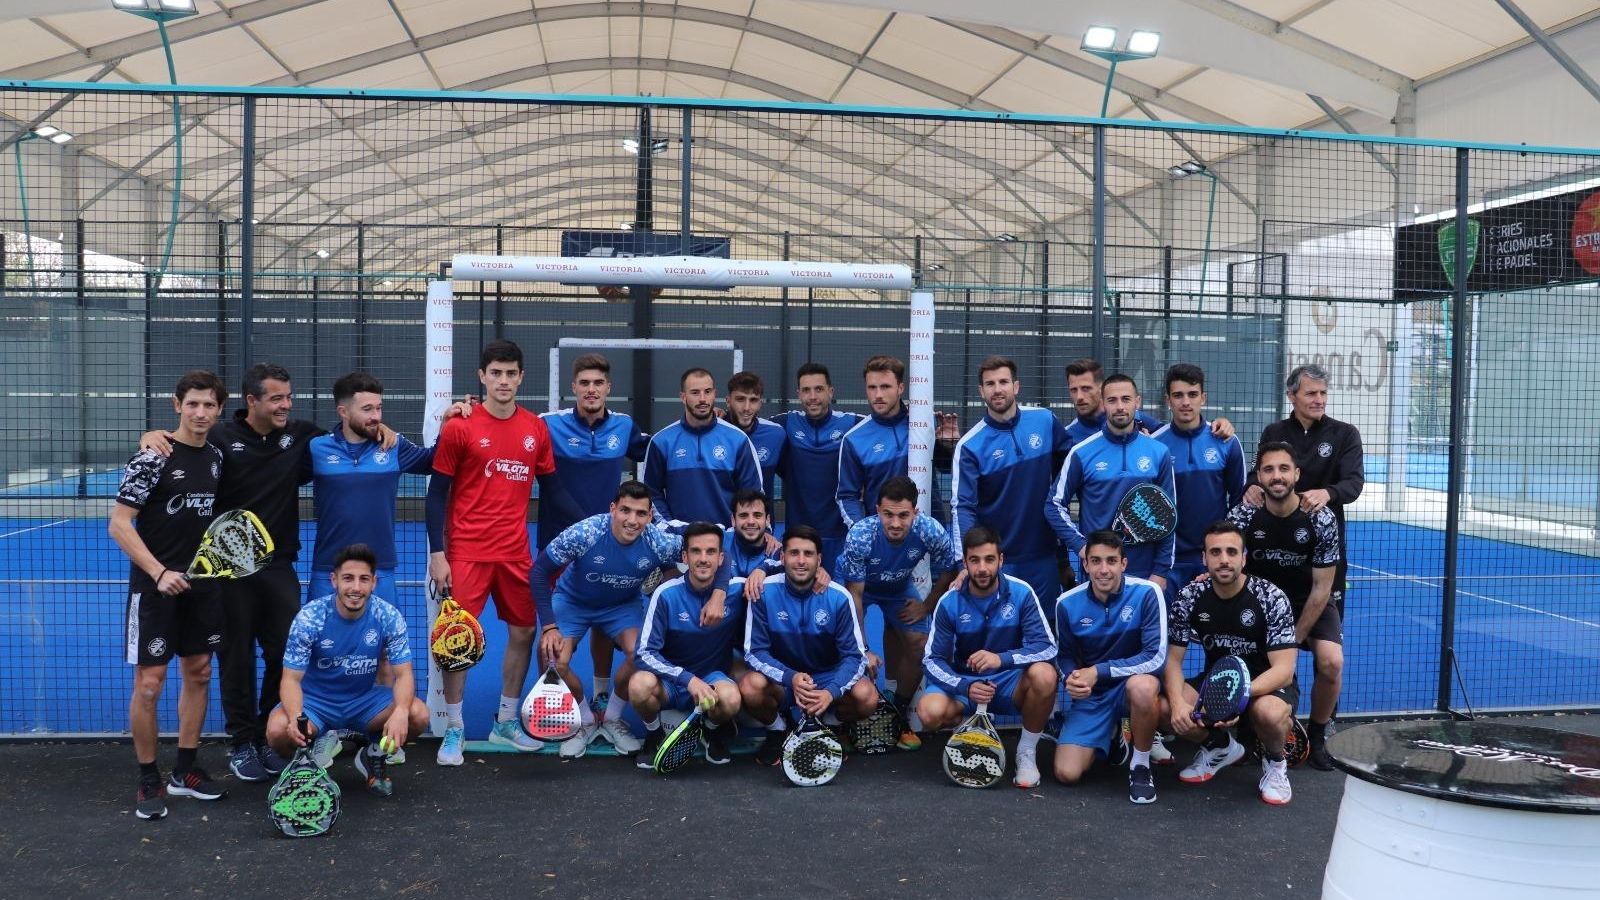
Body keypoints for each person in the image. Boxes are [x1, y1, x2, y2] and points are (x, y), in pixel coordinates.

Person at [141, 363, 341, 782]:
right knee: (234, 657)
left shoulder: (302, 435)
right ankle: (241, 742)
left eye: (288, 397)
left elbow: (350, 433)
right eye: (276, 398)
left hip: (279, 564)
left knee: (282, 654)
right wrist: (150, 435)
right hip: (227, 572)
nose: (285, 405)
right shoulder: (219, 438)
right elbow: (184, 440)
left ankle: (270, 737)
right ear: (252, 401)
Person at [426, 339, 570, 765]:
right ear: (482, 377)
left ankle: (505, 722)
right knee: (457, 641)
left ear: (521, 377)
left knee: (525, 632)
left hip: (515, 553)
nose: (504, 381)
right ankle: (454, 728)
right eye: (496, 373)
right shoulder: (460, 426)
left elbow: (555, 490)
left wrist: (597, 525)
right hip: (466, 552)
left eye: (511, 373)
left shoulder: (534, 429)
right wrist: (438, 552)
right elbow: (436, 497)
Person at [533, 481, 731, 758]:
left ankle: (611, 717)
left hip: (621, 605)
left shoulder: (658, 541)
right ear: (613, 509)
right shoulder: (586, 532)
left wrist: (719, 594)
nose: (632, 520)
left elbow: (721, 551)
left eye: (640, 513)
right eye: (625, 510)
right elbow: (540, 571)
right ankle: (586, 720)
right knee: (553, 660)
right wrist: (550, 626)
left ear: (650, 516)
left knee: (638, 653)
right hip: (573, 602)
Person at [111, 370, 229, 820]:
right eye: (193, 403)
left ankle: (185, 770)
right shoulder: (152, 456)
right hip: (154, 587)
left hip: (204, 586)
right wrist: (160, 572)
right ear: (177, 405)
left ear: (219, 410)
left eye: (209, 405)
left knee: (198, 673)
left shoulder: (217, 457)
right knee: (149, 683)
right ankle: (147, 778)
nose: (201, 412)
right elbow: (119, 525)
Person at [1244, 363, 1364, 752]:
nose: (1318, 399)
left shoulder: (1344, 434)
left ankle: (1319, 727)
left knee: (1329, 660)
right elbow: (1258, 474)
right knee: (1261, 649)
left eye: (1323, 393)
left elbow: (1354, 482)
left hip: (1321, 562)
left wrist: (1327, 494)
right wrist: (1249, 488)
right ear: (1291, 395)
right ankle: (1265, 723)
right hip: (1272, 564)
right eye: (1311, 393)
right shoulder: (1274, 433)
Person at [539, 353, 649, 750]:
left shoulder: (624, 427)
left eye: (597, 383)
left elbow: (657, 449)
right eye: (584, 383)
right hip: (560, 545)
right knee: (551, 645)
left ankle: (605, 699)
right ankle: (577, 716)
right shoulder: (547, 426)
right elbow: (509, 432)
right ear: (574, 387)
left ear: (608, 388)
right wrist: (465, 411)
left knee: (607, 622)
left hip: (612, 545)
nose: (590, 389)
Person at [267, 545, 430, 797]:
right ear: (334, 580)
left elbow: (404, 674)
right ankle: (305, 764)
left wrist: (400, 710)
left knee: (417, 714)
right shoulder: (311, 617)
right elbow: (290, 679)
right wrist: (296, 717)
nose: (356, 588)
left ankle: (372, 754)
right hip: (316, 704)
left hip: (364, 703)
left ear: (374, 582)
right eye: (348, 578)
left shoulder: (388, 616)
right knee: (277, 730)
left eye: (364, 579)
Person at [1164, 522, 1299, 805]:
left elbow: (1284, 670)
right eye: (1215, 552)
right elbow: (1174, 661)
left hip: (1266, 685)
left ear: (1243, 558)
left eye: (1231, 552)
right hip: (1219, 680)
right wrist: (1178, 703)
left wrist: (1237, 696)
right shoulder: (1189, 597)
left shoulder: (1270, 597)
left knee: (1270, 714)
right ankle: (1219, 747)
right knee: (1163, 709)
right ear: (1204, 558)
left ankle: (1275, 764)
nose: (1223, 559)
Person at [1229, 441, 1343, 769]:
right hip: (1260, 603)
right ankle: (1248, 730)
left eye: (1283, 469)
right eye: (1268, 469)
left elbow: (1323, 587)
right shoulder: (1244, 514)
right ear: (1259, 477)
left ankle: (1318, 735)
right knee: (1251, 661)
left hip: (1310, 600)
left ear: (1296, 474)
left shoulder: (1320, 517)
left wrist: (1291, 640)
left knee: (1331, 662)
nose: (1276, 476)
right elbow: (1229, 563)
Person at [918, 526, 1058, 788]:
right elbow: (931, 660)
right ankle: (971, 732)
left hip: (1008, 683)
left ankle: (1026, 753)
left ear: (1001, 560)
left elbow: (1047, 647)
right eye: (974, 560)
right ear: (966, 563)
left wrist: (1001, 659)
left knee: (1046, 674)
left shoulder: (1021, 592)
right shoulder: (949, 601)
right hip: (965, 685)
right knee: (929, 712)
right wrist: (965, 686)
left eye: (989, 559)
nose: (982, 568)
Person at [837, 476, 962, 750]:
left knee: (920, 644)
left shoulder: (931, 531)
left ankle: (898, 713)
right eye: (888, 515)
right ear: (877, 510)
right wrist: (864, 649)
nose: (895, 523)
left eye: (904, 515)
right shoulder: (860, 535)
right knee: (846, 650)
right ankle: (843, 722)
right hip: (859, 587)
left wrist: (926, 605)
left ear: (915, 512)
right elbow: (855, 596)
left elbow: (947, 571)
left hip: (898, 587)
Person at [740, 526, 880, 766]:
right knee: (750, 686)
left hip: (826, 680)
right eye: (794, 553)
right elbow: (755, 652)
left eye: (808, 554)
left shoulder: (839, 596)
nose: (801, 561)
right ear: (782, 558)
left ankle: (831, 726)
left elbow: (854, 657)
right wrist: (790, 677)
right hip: (784, 681)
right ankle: (778, 729)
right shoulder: (763, 591)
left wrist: (831, 691)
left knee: (867, 696)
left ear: (819, 560)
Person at [1052, 530, 1167, 804]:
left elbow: (1155, 657)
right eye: (1096, 561)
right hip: (1095, 695)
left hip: (1133, 689)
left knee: (1143, 686)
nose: (1104, 570)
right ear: (1086, 564)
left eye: (1111, 561)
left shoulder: (1147, 593)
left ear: (1123, 564)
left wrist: (1098, 671)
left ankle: (1140, 766)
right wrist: (1071, 677)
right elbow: (1064, 655)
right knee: (1066, 773)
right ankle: (1115, 736)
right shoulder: (1066, 604)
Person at [306, 372, 435, 607]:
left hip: (380, 570)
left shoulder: (394, 445)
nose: (376, 416)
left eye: (379, 408)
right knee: (321, 641)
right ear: (343, 412)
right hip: (328, 569)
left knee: (385, 643)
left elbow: (434, 460)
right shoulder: (316, 448)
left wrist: (453, 423)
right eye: (367, 409)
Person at [952, 355, 1072, 602]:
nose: (997, 389)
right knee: (999, 634)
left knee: (1046, 630)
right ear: (981, 391)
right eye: (990, 384)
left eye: (1003, 382)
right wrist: (968, 559)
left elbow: (1072, 463)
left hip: (1043, 555)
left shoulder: (1045, 420)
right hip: (999, 560)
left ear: (1016, 386)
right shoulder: (970, 446)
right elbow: (963, 507)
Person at [632, 522, 747, 767]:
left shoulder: (737, 590)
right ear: (685, 556)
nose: (703, 559)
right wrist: (687, 679)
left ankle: (711, 730)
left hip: (712, 679)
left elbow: (783, 574)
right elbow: (643, 653)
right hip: (672, 682)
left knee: (731, 698)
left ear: (721, 558)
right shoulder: (665, 594)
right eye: (696, 551)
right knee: (639, 685)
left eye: (710, 552)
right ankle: (654, 734)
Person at [1045, 374, 1176, 590]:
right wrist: (1082, 547)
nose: (1120, 406)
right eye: (1112, 400)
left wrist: (1160, 572)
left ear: (1137, 402)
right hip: (1099, 574)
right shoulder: (1081, 453)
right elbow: (1053, 505)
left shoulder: (1159, 452)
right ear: (1103, 404)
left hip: (1145, 575)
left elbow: (1169, 516)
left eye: (1126, 399)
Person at [1151, 364, 1245, 588]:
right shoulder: (1154, 446)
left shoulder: (1227, 442)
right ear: (1168, 400)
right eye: (1178, 395)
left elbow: (1239, 503)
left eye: (1192, 394)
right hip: (1169, 562)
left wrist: (1233, 552)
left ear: (1203, 398)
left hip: (1213, 559)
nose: (1185, 402)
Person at [643, 367, 763, 526]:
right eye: (695, 392)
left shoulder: (738, 440)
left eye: (707, 391)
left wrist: (733, 534)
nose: (702, 399)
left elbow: (753, 496)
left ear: (714, 394)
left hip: (724, 540)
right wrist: (669, 527)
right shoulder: (662, 441)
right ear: (683, 397)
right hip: (679, 540)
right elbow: (651, 493)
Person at [774, 362, 860, 572]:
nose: (812, 396)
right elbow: (748, 427)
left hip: (839, 533)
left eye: (819, 389)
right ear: (799, 394)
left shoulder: (852, 423)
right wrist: (722, 417)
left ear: (831, 392)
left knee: (838, 597)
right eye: (806, 390)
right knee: (798, 597)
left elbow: (885, 424)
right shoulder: (785, 423)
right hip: (797, 535)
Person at [1061, 358, 1168, 450]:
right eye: (1073, 390)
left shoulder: (1137, 418)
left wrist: (1149, 444)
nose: (1079, 396)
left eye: (1086, 388)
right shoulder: (1067, 436)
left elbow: (1169, 443)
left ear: (1101, 389)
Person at [725, 370, 786, 505]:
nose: (747, 407)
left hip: (760, 524)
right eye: (740, 399)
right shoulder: (713, 432)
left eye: (753, 400)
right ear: (728, 401)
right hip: (721, 524)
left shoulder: (776, 434)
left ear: (760, 403)